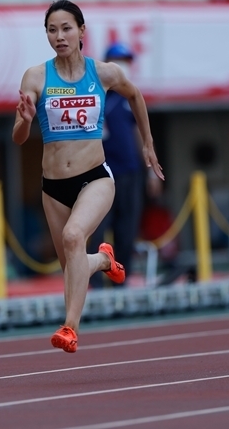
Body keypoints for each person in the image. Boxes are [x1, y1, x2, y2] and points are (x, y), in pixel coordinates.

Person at [13, 0, 164, 353]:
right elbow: (18, 139)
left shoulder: (104, 73)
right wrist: (24, 118)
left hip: (95, 178)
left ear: (82, 32)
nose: (59, 36)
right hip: (53, 187)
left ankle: (69, 327)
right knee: (73, 265)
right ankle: (104, 260)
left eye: (66, 28)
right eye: (52, 30)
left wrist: (148, 144)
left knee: (73, 235)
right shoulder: (35, 76)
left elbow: (135, 95)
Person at [87, 42, 163, 289]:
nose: (124, 66)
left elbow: (139, 131)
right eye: (120, 61)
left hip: (129, 172)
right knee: (98, 231)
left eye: (127, 62)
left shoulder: (128, 95)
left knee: (126, 230)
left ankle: (122, 279)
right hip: (100, 175)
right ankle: (95, 283)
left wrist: (151, 170)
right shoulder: (95, 93)